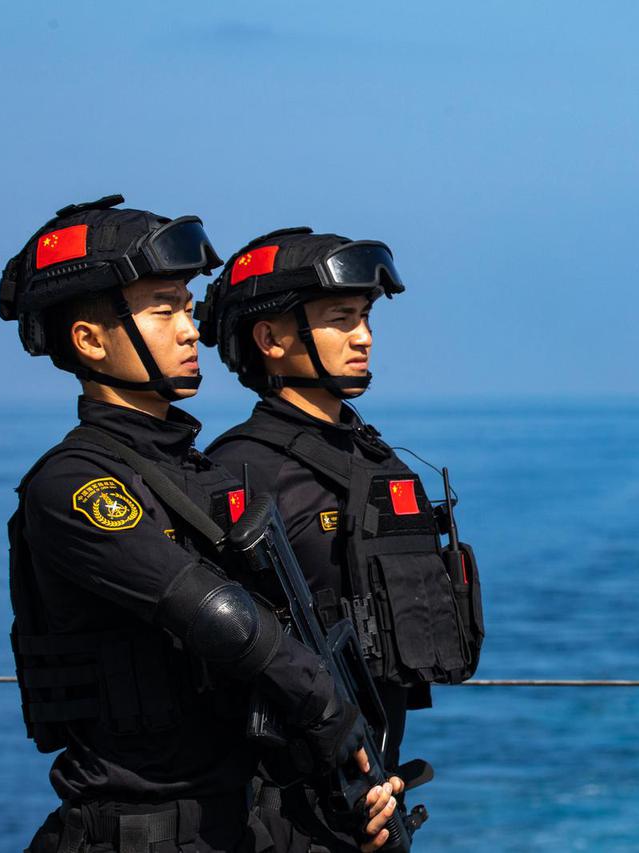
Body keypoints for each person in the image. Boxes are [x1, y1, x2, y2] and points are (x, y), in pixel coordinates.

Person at [0, 196, 403, 853]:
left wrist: (347, 786)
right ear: (90, 339)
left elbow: (283, 636)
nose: (188, 329)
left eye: (187, 306)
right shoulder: (73, 484)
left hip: (241, 824)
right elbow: (216, 615)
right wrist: (329, 708)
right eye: (163, 308)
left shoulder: (206, 478)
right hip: (134, 832)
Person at [196, 227, 484, 850]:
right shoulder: (240, 472)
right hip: (272, 811)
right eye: (340, 319)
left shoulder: (383, 467)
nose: (364, 337)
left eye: (364, 317)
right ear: (270, 339)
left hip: (375, 797)